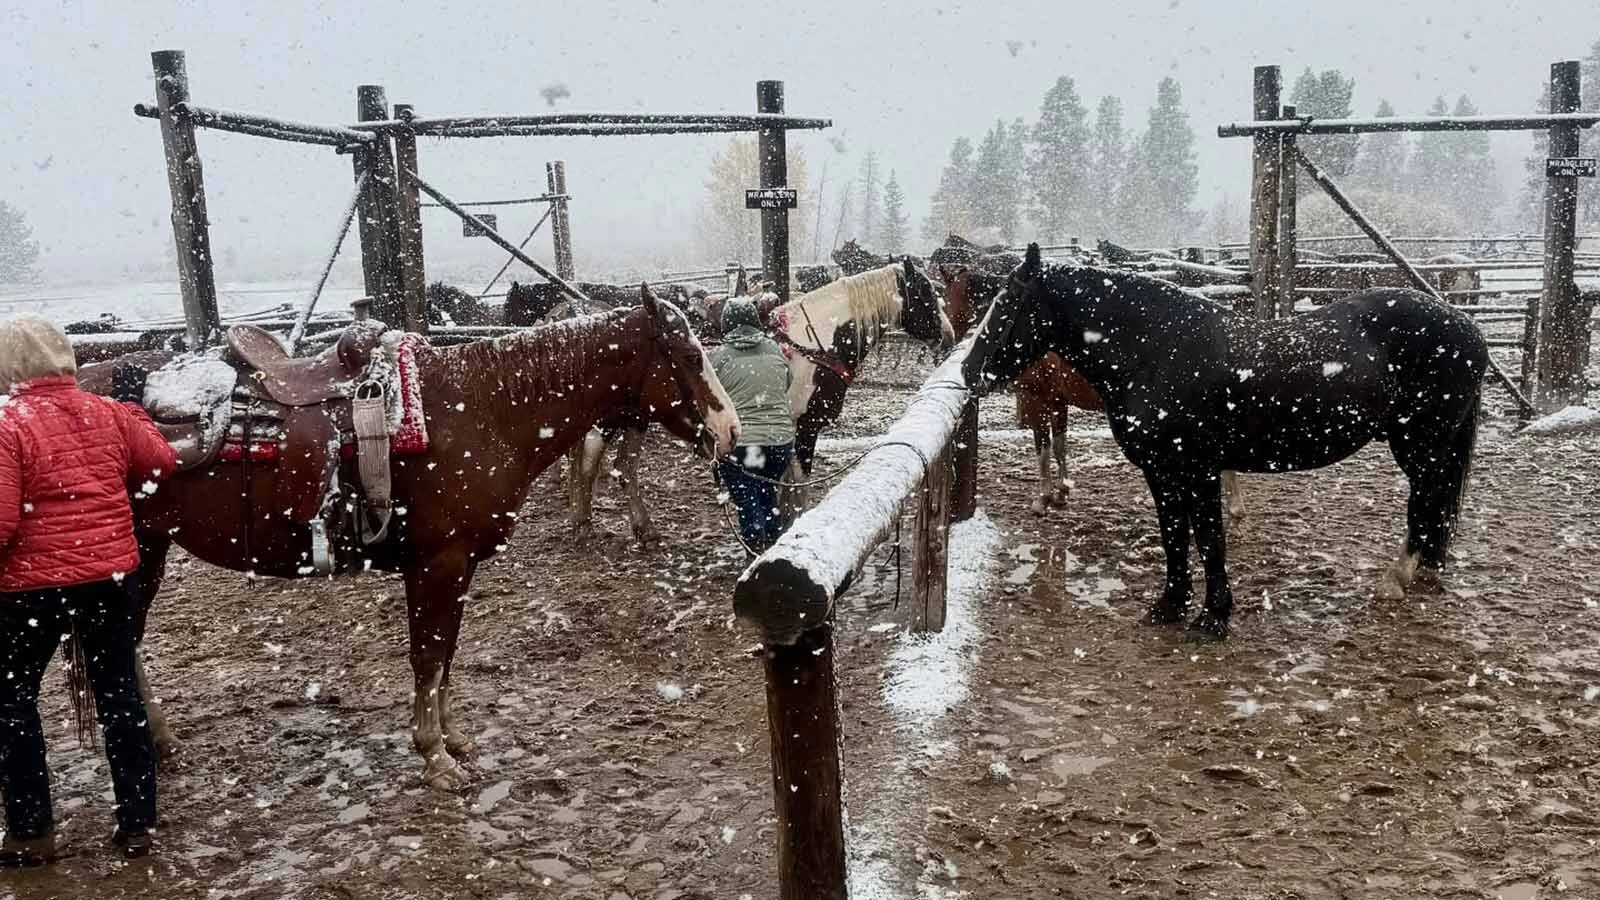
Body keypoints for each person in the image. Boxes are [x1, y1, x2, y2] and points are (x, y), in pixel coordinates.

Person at [0, 315, 175, 865]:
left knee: (13, 703)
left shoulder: (7, 424)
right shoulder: (109, 413)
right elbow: (162, 462)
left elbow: (2, 524)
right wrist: (135, 411)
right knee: (120, 696)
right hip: (109, 580)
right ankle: (138, 824)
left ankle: (32, 832)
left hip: (29, 590)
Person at [709, 298, 794, 552]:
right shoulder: (774, 349)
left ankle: (757, 551)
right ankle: (773, 543)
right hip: (779, 441)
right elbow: (786, 382)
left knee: (747, 501)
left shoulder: (718, 358)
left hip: (741, 442)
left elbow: (709, 397)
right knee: (767, 492)